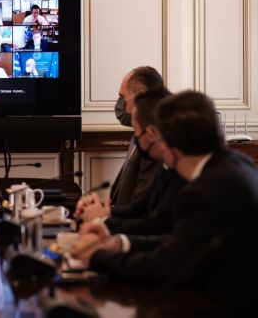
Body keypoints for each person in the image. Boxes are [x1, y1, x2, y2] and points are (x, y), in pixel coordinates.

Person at [71, 91, 258, 314]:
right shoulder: (238, 163)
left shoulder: (204, 191)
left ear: (169, 148)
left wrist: (95, 257)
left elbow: (165, 265)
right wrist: (119, 243)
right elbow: (184, 241)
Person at [75, 87, 186, 236]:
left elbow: (158, 226)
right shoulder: (169, 166)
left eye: (136, 130)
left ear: (151, 134)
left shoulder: (180, 172)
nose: (135, 137)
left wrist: (103, 220)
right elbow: (141, 208)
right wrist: (104, 211)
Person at [108, 67, 165, 206]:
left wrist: (109, 213)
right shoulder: (142, 127)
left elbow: (143, 205)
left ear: (140, 97)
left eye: (123, 97)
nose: (123, 107)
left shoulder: (154, 142)